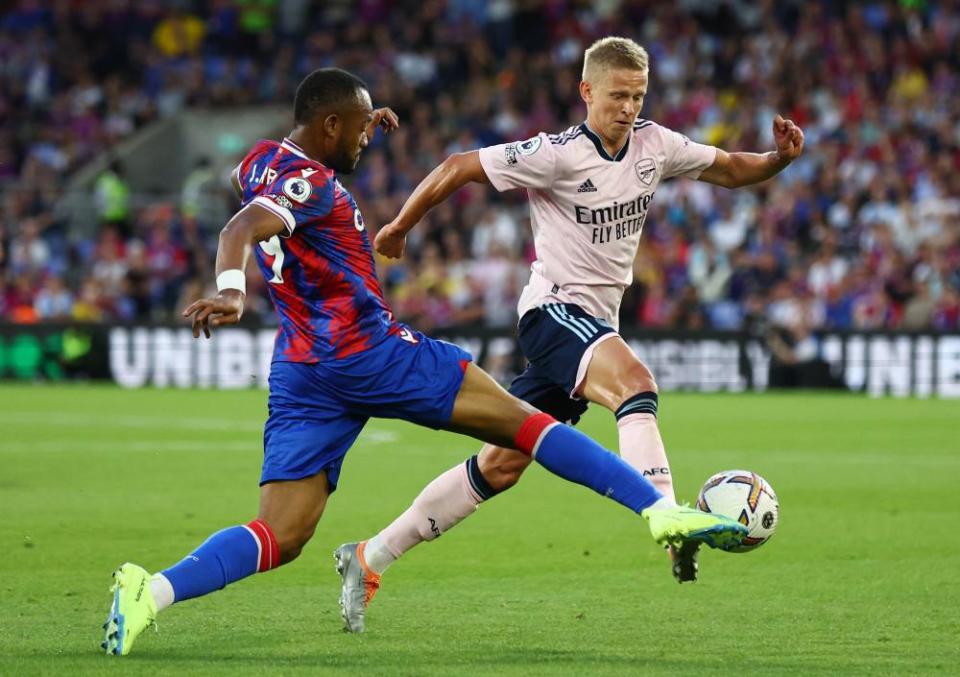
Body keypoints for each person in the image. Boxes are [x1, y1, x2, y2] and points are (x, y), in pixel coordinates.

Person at [102, 67, 746, 656]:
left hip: (304, 371)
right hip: (371, 352)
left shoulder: (260, 160)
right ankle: (659, 508)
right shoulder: (311, 186)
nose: (364, 141)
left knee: (282, 534)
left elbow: (281, 182)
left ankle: (150, 593)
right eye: (356, 130)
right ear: (328, 127)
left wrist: (363, 117)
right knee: (526, 425)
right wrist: (231, 289)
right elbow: (241, 228)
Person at [346, 35, 805, 621]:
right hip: (552, 313)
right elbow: (461, 166)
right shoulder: (555, 154)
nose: (629, 107)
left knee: (501, 464)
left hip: (593, 326)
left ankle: (370, 556)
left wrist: (779, 161)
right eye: (618, 95)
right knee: (636, 384)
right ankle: (666, 514)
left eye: (638, 96)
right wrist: (400, 226)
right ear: (587, 91)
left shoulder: (654, 144)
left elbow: (731, 168)